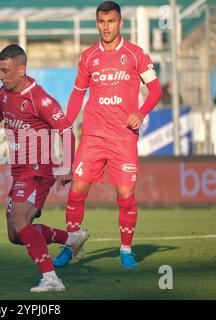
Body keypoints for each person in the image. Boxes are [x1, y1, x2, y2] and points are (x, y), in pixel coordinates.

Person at [0, 44, 88, 292]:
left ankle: (52, 279)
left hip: (39, 169)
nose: (0, 77)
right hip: (18, 170)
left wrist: (67, 166)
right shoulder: (4, 94)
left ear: (21, 69)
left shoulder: (40, 99)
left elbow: (66, 130)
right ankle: (73, 238)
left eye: (5, 71)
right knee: (16, 235)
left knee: (19, 221)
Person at [53, 1, 162, 269]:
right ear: (97, 23)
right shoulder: (89, 56)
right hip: (92, 136)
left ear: (120, 23)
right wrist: (67, 123)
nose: (106, 27)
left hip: (124, 137)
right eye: (102, 22)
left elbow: (156, 90)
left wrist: (141, 112)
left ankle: (126, 250)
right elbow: (78, 93)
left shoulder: (136, 54)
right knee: (76, 190)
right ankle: (72, 244)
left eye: (111, 21)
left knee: (125, 196)